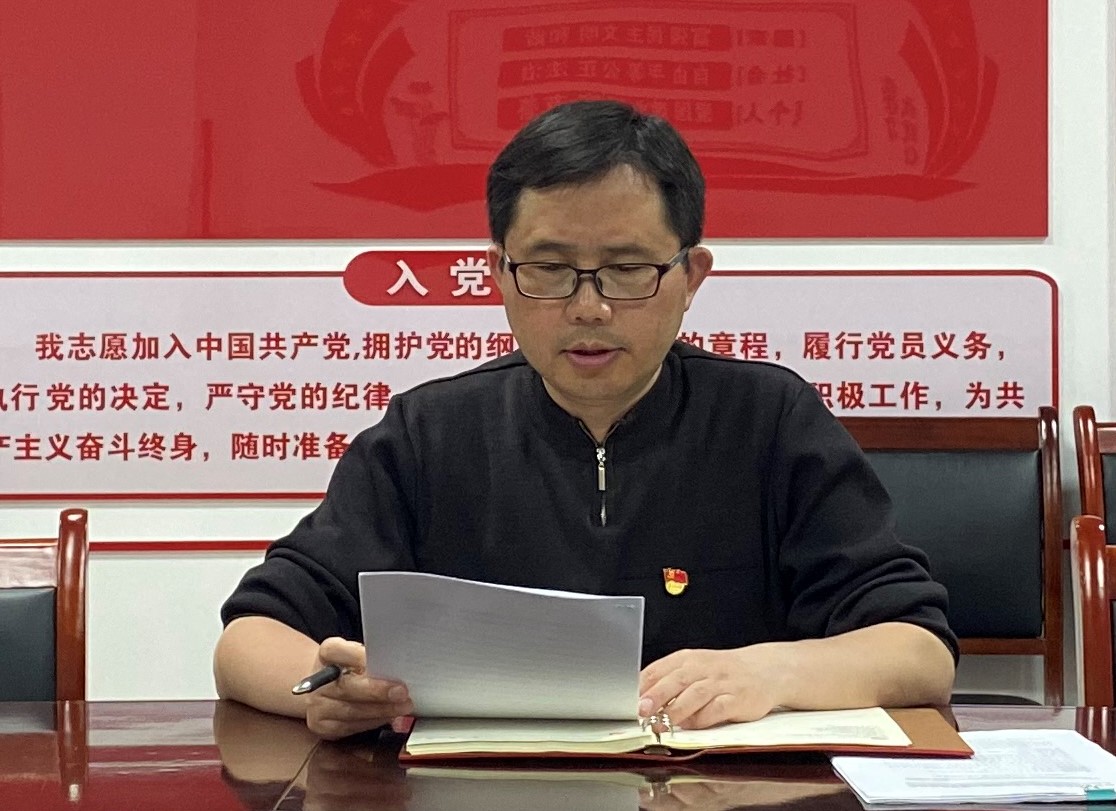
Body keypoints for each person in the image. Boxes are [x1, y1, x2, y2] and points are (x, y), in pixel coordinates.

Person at [214, 99, 957, 740]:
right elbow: (248, 639)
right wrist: (325, 691)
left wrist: (771, 672)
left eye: (628, 269)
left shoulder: (769, 421)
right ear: (500, 274)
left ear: (691, 277)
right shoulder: (429, 434)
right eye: (549, 269)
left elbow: (919, 650)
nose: (589, 307)